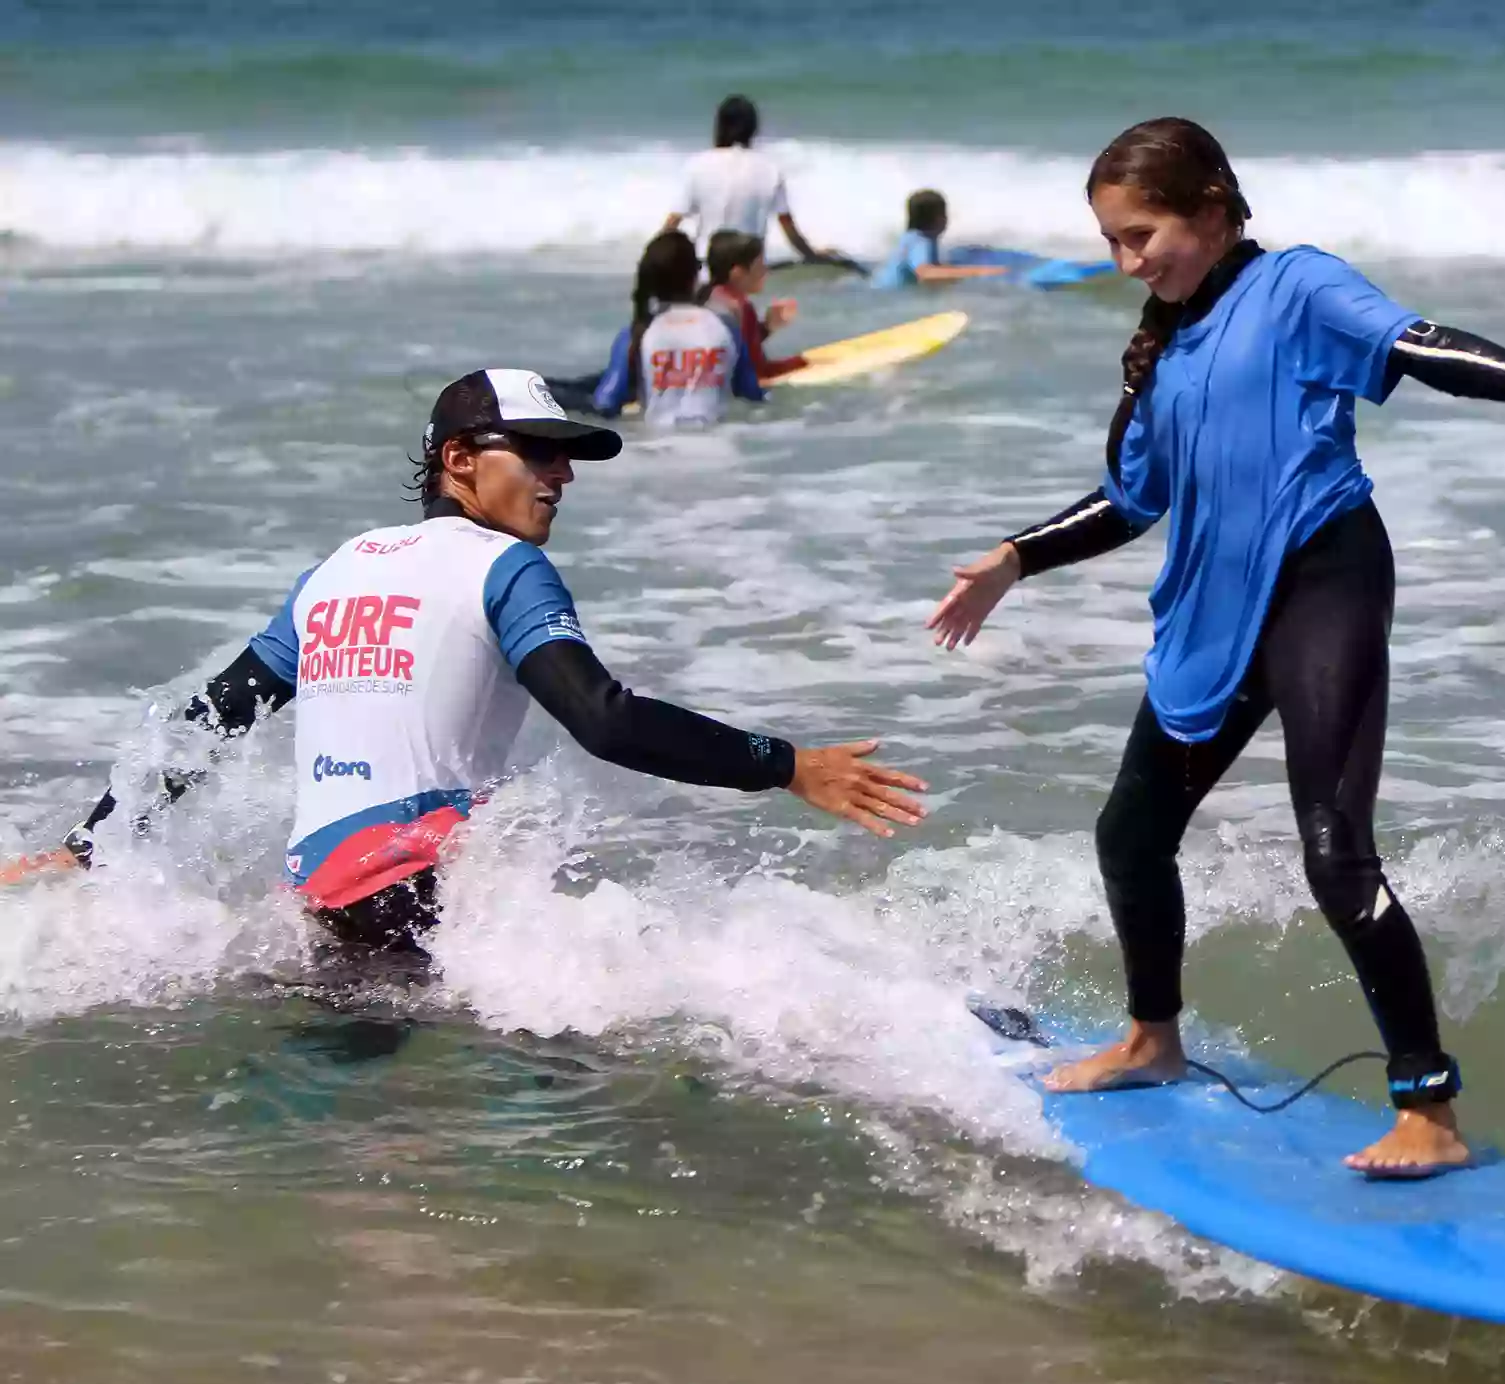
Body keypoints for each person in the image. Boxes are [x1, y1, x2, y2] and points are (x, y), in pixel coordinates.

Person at [925, 118, 1505, 1177]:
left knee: (1335, 854)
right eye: (1112, 243)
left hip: (1323, 582)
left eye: (1144, 235)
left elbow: (1417, 346)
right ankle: (1153, 1037)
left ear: (1214, 206)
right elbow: (1131, 499)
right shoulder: (1168, 349)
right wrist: (1016, 557)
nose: (1130, 262)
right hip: (1215, 608)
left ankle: (1430, 1109)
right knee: (1130, 835)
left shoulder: (1296, 288)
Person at [49, 370, 927, 968]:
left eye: (566, 457)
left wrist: (88, 847)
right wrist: (787, 766)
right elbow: (606, 720)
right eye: (540, 453)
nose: (562, 477)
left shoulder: (336, 569)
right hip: (427, 905)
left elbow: (208, 718)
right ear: (459, 460)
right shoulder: (503, 568)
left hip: (322, 904)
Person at [558, 231, 766, 427]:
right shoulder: (727, 328)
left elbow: (605, 405)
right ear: (694, 277)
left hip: (657, 455)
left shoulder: (637, 334)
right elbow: (752, 395)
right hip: (720, 454)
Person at [663, 94, 852, 270]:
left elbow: (672, 224)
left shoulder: (697, 165)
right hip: (748, 269)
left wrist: (653, 259)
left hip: (706, 266)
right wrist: (813, 255)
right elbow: (788, 227)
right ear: (753, 129)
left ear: (719, 126)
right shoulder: (770, 169)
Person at [701, 229, 810, 383]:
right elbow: (758, 372)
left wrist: (766, 327)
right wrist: (801, 362)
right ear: (737, 273)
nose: (766, 271)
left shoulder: (704, 298)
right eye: (759, 266)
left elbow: (731, 351)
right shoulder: (740, 307)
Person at [868, 190, 1011, 289]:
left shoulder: (908, 239)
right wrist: (980, 272)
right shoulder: (920, 241)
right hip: (889, 295)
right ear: (939, 219)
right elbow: (926, 273)